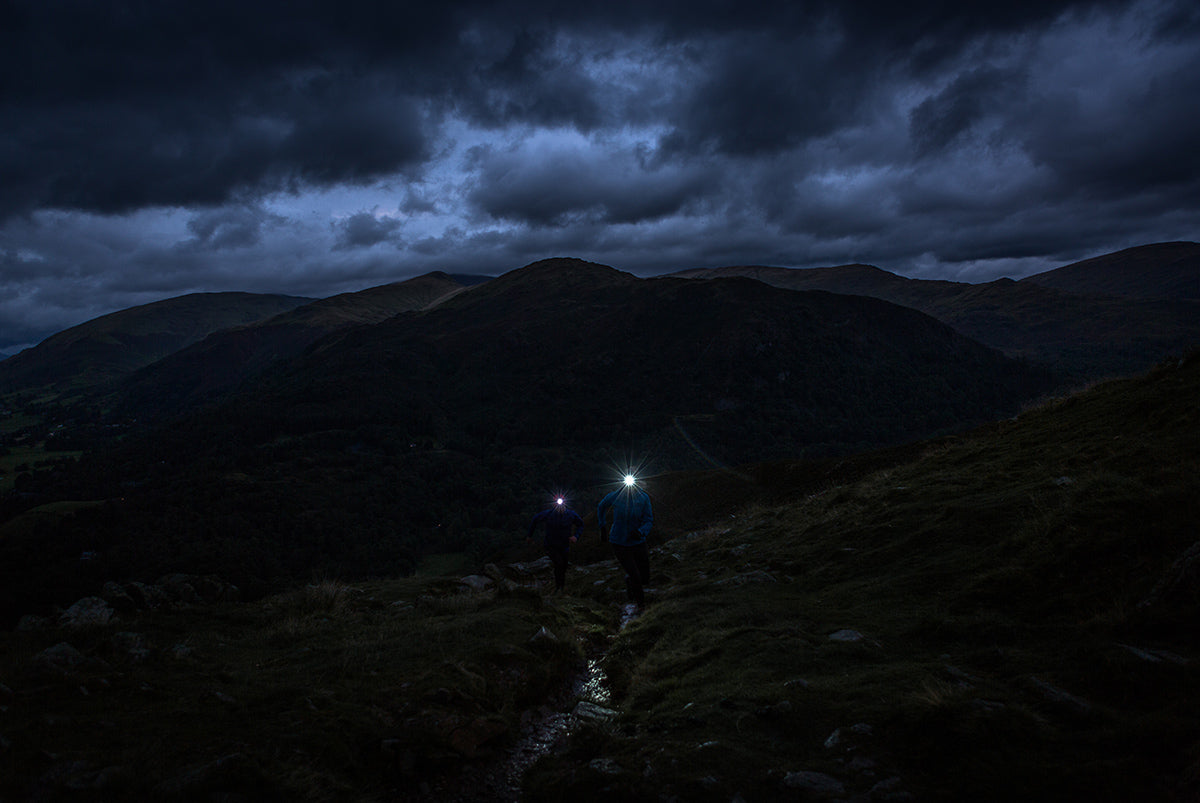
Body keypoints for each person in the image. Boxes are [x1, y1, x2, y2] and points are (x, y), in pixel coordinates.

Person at [597, 475, 653, 609]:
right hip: (619, 542)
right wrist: (602, 527)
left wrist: (641, 531)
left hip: (638, 541)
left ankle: (629, 580)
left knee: (645, 576)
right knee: (635, 576)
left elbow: (648, 519)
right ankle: (641, 606)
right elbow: (601, 506)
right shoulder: (616, 496)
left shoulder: (643, 498)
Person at [527, 496, 584, 593]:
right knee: (558, 564)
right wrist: (530, 535)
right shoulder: (548, 514)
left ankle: (561, 588)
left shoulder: (570, 515)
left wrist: (576, 536)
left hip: (564, 546)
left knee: (563, 566)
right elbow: (535, 519)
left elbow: (580, 524)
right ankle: (558, 588)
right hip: (551, 545)